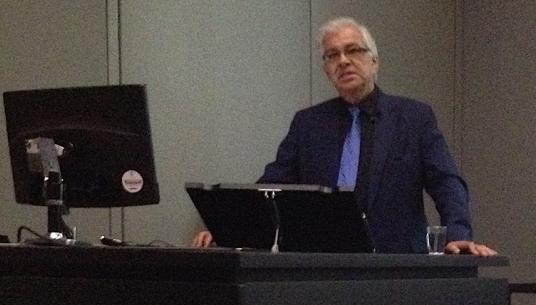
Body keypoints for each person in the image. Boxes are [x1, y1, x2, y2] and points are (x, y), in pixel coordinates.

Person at [193, 17, 495, 256]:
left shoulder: (413, 118)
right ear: (326, 71)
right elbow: (272, 186)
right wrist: (229, 229)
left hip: (398, 265)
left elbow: (447, 182)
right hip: (324, 265)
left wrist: (458, 236)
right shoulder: (308, 124)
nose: (343, 61)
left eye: (353, 50)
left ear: (374, 61)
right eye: (332, 55)